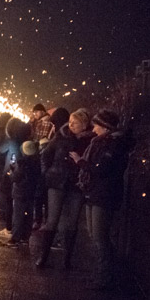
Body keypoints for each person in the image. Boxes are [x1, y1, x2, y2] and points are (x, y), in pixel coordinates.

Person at [71, 109, 131, 289]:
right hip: (94, 192)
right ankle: (101, 273)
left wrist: (80, 161)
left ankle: (106, 277)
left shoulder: (114, 145)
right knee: (94, 235)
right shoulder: (99, 142)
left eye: (97, 125)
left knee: (100, 237)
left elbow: (102, 169)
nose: (94, 128)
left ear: (105, 127)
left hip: (105, 195)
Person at [36, 108, 94, 269]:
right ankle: (43, 256)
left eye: (75, 122)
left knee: (71, 223)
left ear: (84, 125)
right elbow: (46, 154)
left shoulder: (90, 141)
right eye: (70, 121)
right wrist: (47, 172)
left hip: (76, 186)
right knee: (52, 220)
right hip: (57, 182)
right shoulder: (61, 136)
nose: (71, 125)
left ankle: (67, 259)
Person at [0, 117, 27, 243]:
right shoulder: (23, 142)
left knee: (9, 203)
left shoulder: (11, 143)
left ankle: (9, 229)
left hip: (10, 177)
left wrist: (3, 176)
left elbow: (2, 156)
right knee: (16, 206)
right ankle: (18, 231)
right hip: (19, 178)